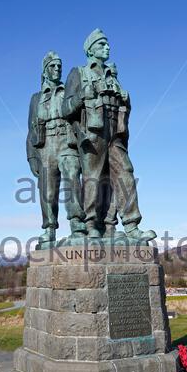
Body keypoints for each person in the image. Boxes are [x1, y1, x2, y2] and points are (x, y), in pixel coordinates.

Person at [62, 29, 156, 242]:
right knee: (93, 177)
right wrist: (80, 97)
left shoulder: (112, 75)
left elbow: (123, 107)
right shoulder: (78, 73)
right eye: (102, 44)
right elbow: (65, 109)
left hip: (115, 132)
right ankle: (91, 224)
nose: (107, 47)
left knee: (126, 172)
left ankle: (132, 226)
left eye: (107, 44)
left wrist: (126, 99)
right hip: (93, 132)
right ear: (90, 49)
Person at [26, 52, 86, 245]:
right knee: (48, 191)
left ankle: (77, 224)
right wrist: (31, 157)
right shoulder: (36, 98)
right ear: (45, 71)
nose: (57, 69)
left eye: (59, 66)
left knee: (72, 178)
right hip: (45, 147)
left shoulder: (67, 90)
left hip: (66, 142)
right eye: (53, 66)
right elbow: (30, 130)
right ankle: (49, 229)